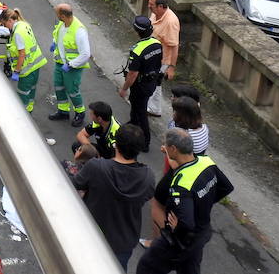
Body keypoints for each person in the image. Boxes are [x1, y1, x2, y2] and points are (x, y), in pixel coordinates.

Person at [137, 129, 233, 274]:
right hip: (202, 233)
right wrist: (203, 204)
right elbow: (226, 187)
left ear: (174, 149)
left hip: (179, 242)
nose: (164, 147)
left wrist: (178, 227)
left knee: (146, 266)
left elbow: (187, 223)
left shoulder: (181, 185)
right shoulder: (206, 161)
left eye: (166, 145)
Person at [73, 124, 155, 271]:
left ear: (116, 144)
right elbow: (145, 198)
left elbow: (75, 184)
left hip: (91, 234)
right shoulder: (148, 177)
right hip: (123, 242)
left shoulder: (96, 167)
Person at [120, 16, 163, 153]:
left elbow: (132, 74)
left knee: (141, 111)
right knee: (136, 105)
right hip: (152, 82)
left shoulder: (137, 50)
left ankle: (145, 142)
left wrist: (124, 89)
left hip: (140, 85)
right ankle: (133, 123)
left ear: (136, 31)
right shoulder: (157, 43)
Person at [48, 3, 91, 127]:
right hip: (60, 63)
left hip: (72, 67)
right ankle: (63, 111)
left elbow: (85, 54)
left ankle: (80, 112)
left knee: (72, 91)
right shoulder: (62, 24)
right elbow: (58, 36)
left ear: (62, 15)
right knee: (59, 87)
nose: (56, 16)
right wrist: (54, 43)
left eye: (57, 14)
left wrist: (71, 64)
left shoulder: (79, 30)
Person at [0, 8, 48, 112]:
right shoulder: (24, 24)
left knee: (23, 94)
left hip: (27, 70)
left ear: (10, 20)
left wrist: (16, 71)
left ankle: (23, 114)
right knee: (32, 89)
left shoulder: (17, 33)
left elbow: (22, 54)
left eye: (4, 24)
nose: (5, 27)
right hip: (36, 65)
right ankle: (29, 108)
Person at [147, 0, 181, 118]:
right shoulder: (156, 13)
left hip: (162, 60)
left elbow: (174, 46)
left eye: (151, 5)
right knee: (153, 83)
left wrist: (171, 67)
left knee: (154, 83)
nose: (149, 6)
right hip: (152, 56)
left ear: (161, 6)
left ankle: (154, 108)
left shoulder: (171, 22)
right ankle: (153, 107)